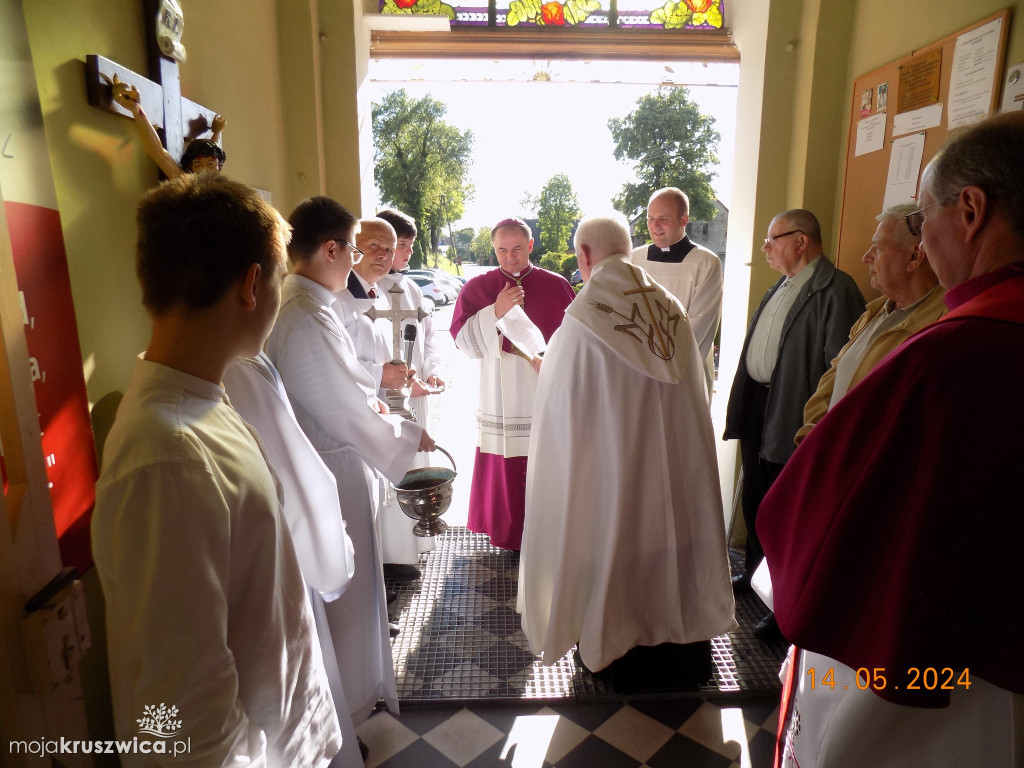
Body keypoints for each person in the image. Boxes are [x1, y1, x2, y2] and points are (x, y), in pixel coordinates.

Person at [759, 111, 1024, 768]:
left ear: (970, 210)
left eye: (926, 216)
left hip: (935, 674)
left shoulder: (947, 360)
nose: (922, 239)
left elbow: (832, 522)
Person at [91, 172, 341, 766]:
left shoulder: (202, 399)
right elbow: (183, 711)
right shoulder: (168, 457)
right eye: (278, 278)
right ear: (253, 285)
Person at [519, 213, 736, 677]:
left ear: (584, 256)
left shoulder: (581, 324)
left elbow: (562, 416)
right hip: (673, 474)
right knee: (670, 541)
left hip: (612, 477)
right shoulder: (671, 309)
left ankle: (612, 643)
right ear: (629, 247)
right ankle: (683, 641)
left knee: (613, 538)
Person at [264, 196, 435, 727]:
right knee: (345, 599)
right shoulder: (302, 310)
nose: (358, 261)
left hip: (338, 461)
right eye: (355, 250)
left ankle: (356, 700)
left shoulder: (313, 304)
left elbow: (345, 383)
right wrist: (409, 435)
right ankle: (346, 713)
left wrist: (377, 400)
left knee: (358, 595)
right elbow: (337, 405)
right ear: (332, 248)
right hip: (330, 470)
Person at [722, 209, 864, 638]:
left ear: (802, 241)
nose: (765, 247)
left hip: (793, 414)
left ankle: (783, 605)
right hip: (759, 407)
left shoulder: (836, 291)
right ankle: (755, 576)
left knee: (789, 512)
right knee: (759, 501)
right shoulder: (782, 286)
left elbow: (838, 369)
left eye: (773, 239)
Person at [221, 353, 365, 767]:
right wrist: (334, 554)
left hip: (279, 558)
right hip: (278, 567)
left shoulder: (238, 366)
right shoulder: (240, 370)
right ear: (251, 287)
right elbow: (296, 473)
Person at [450, 217, 576, 551]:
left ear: (530, 246)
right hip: (499, 391)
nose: (510, 257)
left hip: (544, 388)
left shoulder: (556, 284)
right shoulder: (477, 288)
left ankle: (549, 534)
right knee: (504, 461)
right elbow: (462, 342)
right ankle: (507, 535)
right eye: (502, 249)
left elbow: (577, 339)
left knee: (546, 459)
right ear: (493, 248)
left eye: (517, 248)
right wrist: (495, 310)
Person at [333, 215, 439, 576]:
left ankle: (395, 560)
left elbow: (428, 337)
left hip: (390, 401)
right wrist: (382, 374)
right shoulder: (338, 298)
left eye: (390, 248)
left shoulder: (368, 293)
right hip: (352, 425)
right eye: (373, 246)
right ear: (350, 248)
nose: (384, 255)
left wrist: (411, 373)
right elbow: (331, 368)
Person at [795, 204, 945, 444]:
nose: (866, 257)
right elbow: (831, 382)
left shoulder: (941, 325)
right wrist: (812, 438)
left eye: (877, 247)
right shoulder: (873, 313)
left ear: (914, 256)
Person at [630, 187, 724, 385]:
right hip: (638, 370)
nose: (655, 225)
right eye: (650, 218)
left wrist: (661, 365)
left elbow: (700, 324)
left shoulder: (706, 263)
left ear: (683, 220)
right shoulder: (634, 259)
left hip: (684, 371)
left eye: (663, 219)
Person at [112, 72, 226, 178]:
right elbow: (159, 152)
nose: (204, 170)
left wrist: (217, 132)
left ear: (219, 166)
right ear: (189, 167)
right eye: (197, 165)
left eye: (210, 164)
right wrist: (137, 110)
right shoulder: (185, 182)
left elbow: (215, 153)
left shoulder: (225, 192)